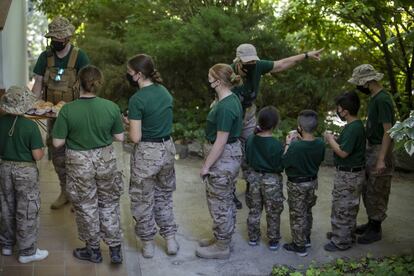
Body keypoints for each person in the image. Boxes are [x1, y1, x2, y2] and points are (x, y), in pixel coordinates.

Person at [231, 43, 323, 209]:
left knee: (248, 147)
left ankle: (252, 184)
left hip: (248, 113)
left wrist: (307, 55)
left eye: (253, 62)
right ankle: (230, 190)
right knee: (231, 152)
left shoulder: (258, 66)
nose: (251, 65)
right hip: (232, 113)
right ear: (238, 61)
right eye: (247, 63)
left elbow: (282, 63)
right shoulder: (228, 71)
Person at [52, 65, 124, 264]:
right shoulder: (111, 107)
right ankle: (115, 249)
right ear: (98, 84)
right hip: (106, 160)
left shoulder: (67, 109)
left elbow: (57, 143)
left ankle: (93, 251)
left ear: (78, 84)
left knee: (86, 205)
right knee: (109, 203)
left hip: (79, 162)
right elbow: (119, 136)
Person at [32, 16, 90, 209]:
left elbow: (87, 86)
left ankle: (77, 196)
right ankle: (65, 192)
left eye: (59, 39)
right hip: (54, 116)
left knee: (78, 155)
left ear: (68, 38)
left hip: (75, 115)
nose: (55, 42)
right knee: (58, 155)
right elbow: (38, 85)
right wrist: (33, 107)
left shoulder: (79, 56)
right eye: (53, 39)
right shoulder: (45, 57)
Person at [126, 54, 179, 259]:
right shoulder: (164, 92)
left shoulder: (137, 99)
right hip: (167, 150)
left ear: (139, 75)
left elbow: (136, 137)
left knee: (142, 199)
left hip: (147, 154)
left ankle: (148, 243)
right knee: (164, 196)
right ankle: (171, 239)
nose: (128, 76)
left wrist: (128, 122)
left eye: (130, 73)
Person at [196, 63, 243, 259]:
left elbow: (221, 140)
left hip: (223, 157)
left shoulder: (226, 107)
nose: (207, 79)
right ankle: (221, 237)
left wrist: (206, 166)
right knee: (224, 199)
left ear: (218, 80)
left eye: (210, 76)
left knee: (219, 202)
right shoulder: (227, 100)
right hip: (228, 155)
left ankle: (222, 246)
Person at [0, 86, 49, 263]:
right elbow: (37, 155)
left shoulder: (1, 122)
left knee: (6, 206)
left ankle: (6, 245)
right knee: (27, 208)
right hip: (25, 171)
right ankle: (27, 252)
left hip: (4, 168)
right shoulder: (30, 126)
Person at [348, 64, 395, 244]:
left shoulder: (383, 100)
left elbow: (388, 132)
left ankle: (376, 228)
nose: (358, 87)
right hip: (372, 147)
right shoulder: (375, 98)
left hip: (380, 149)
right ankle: (370, 223)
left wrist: (381, 159)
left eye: (359, 84)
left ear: (367, 82)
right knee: (368, 188)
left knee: (378, 188)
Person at [324, 91, 366, 251]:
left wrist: (329, 140)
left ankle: (341, 241)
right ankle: (344, 234)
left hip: (349, 175)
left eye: (339, 108)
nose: (338, 111)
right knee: (347, 206)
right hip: (351, 174)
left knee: (343, 207)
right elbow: (346, 145)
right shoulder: (353, 126)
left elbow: (343, 152)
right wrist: (335, 139)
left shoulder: (354, 128)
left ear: (345, 110)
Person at [282, 110, 325, 257]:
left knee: (297, 214)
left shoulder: (296, 147)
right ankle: (306, 238)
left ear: (299, 127)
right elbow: (319, 159)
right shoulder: (320, 143)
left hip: (297, 185)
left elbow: (284, 162)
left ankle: (299, 246)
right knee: (307, 211)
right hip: (312, 182)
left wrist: (288, 143)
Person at [244, 106, 284, 251]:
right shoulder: (276, 144)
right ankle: (273, 240)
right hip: (271, 181)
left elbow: (247, 159)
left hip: (253, 179)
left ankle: (253, 238)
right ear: (274, 124)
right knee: (273, 210)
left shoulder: (250, 140)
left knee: (254, 209)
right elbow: (280, 165)